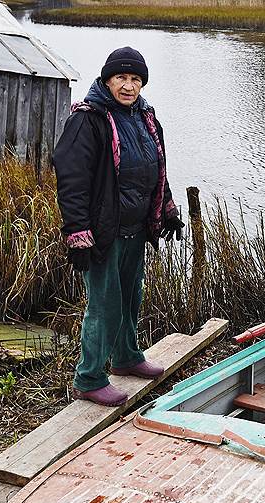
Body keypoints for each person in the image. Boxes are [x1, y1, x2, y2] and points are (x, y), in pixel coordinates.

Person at [53, 46, 184, 406]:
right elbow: (72, 179)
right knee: (104, 305)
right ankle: (90, 377)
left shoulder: (145, 117)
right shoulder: (88, 118)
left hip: (136, 228)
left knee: (130, 297)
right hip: (103, 233)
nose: (128, 86)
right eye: (121, 78)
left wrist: (167, 207)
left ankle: (126, 357)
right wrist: (77, 234)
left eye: (135, 80)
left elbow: (154, 167)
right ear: (107, 79)